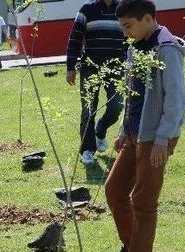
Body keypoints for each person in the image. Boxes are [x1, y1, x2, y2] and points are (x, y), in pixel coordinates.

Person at [104, 0, 185, 252]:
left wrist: (163, 139)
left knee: (143, 199)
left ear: (148, 19)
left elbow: (176, 100)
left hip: (155, 137)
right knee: (114, 190)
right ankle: (130, 249)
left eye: (129, 25)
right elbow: (132, 95)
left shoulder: (166, 48)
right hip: (133, 133)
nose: (126, 32)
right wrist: (122, 131)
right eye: (123, 27)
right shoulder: (135, 47)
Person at [66, 0, 127, 166]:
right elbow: (75, 38)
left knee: (117, 105)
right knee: (88, 109)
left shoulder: (122, 7)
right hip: (90, 68)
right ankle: (87, 150)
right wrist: (71, 66)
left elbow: (129, 37)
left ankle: (100, 130)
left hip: (116, 67)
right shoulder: (87, 9)